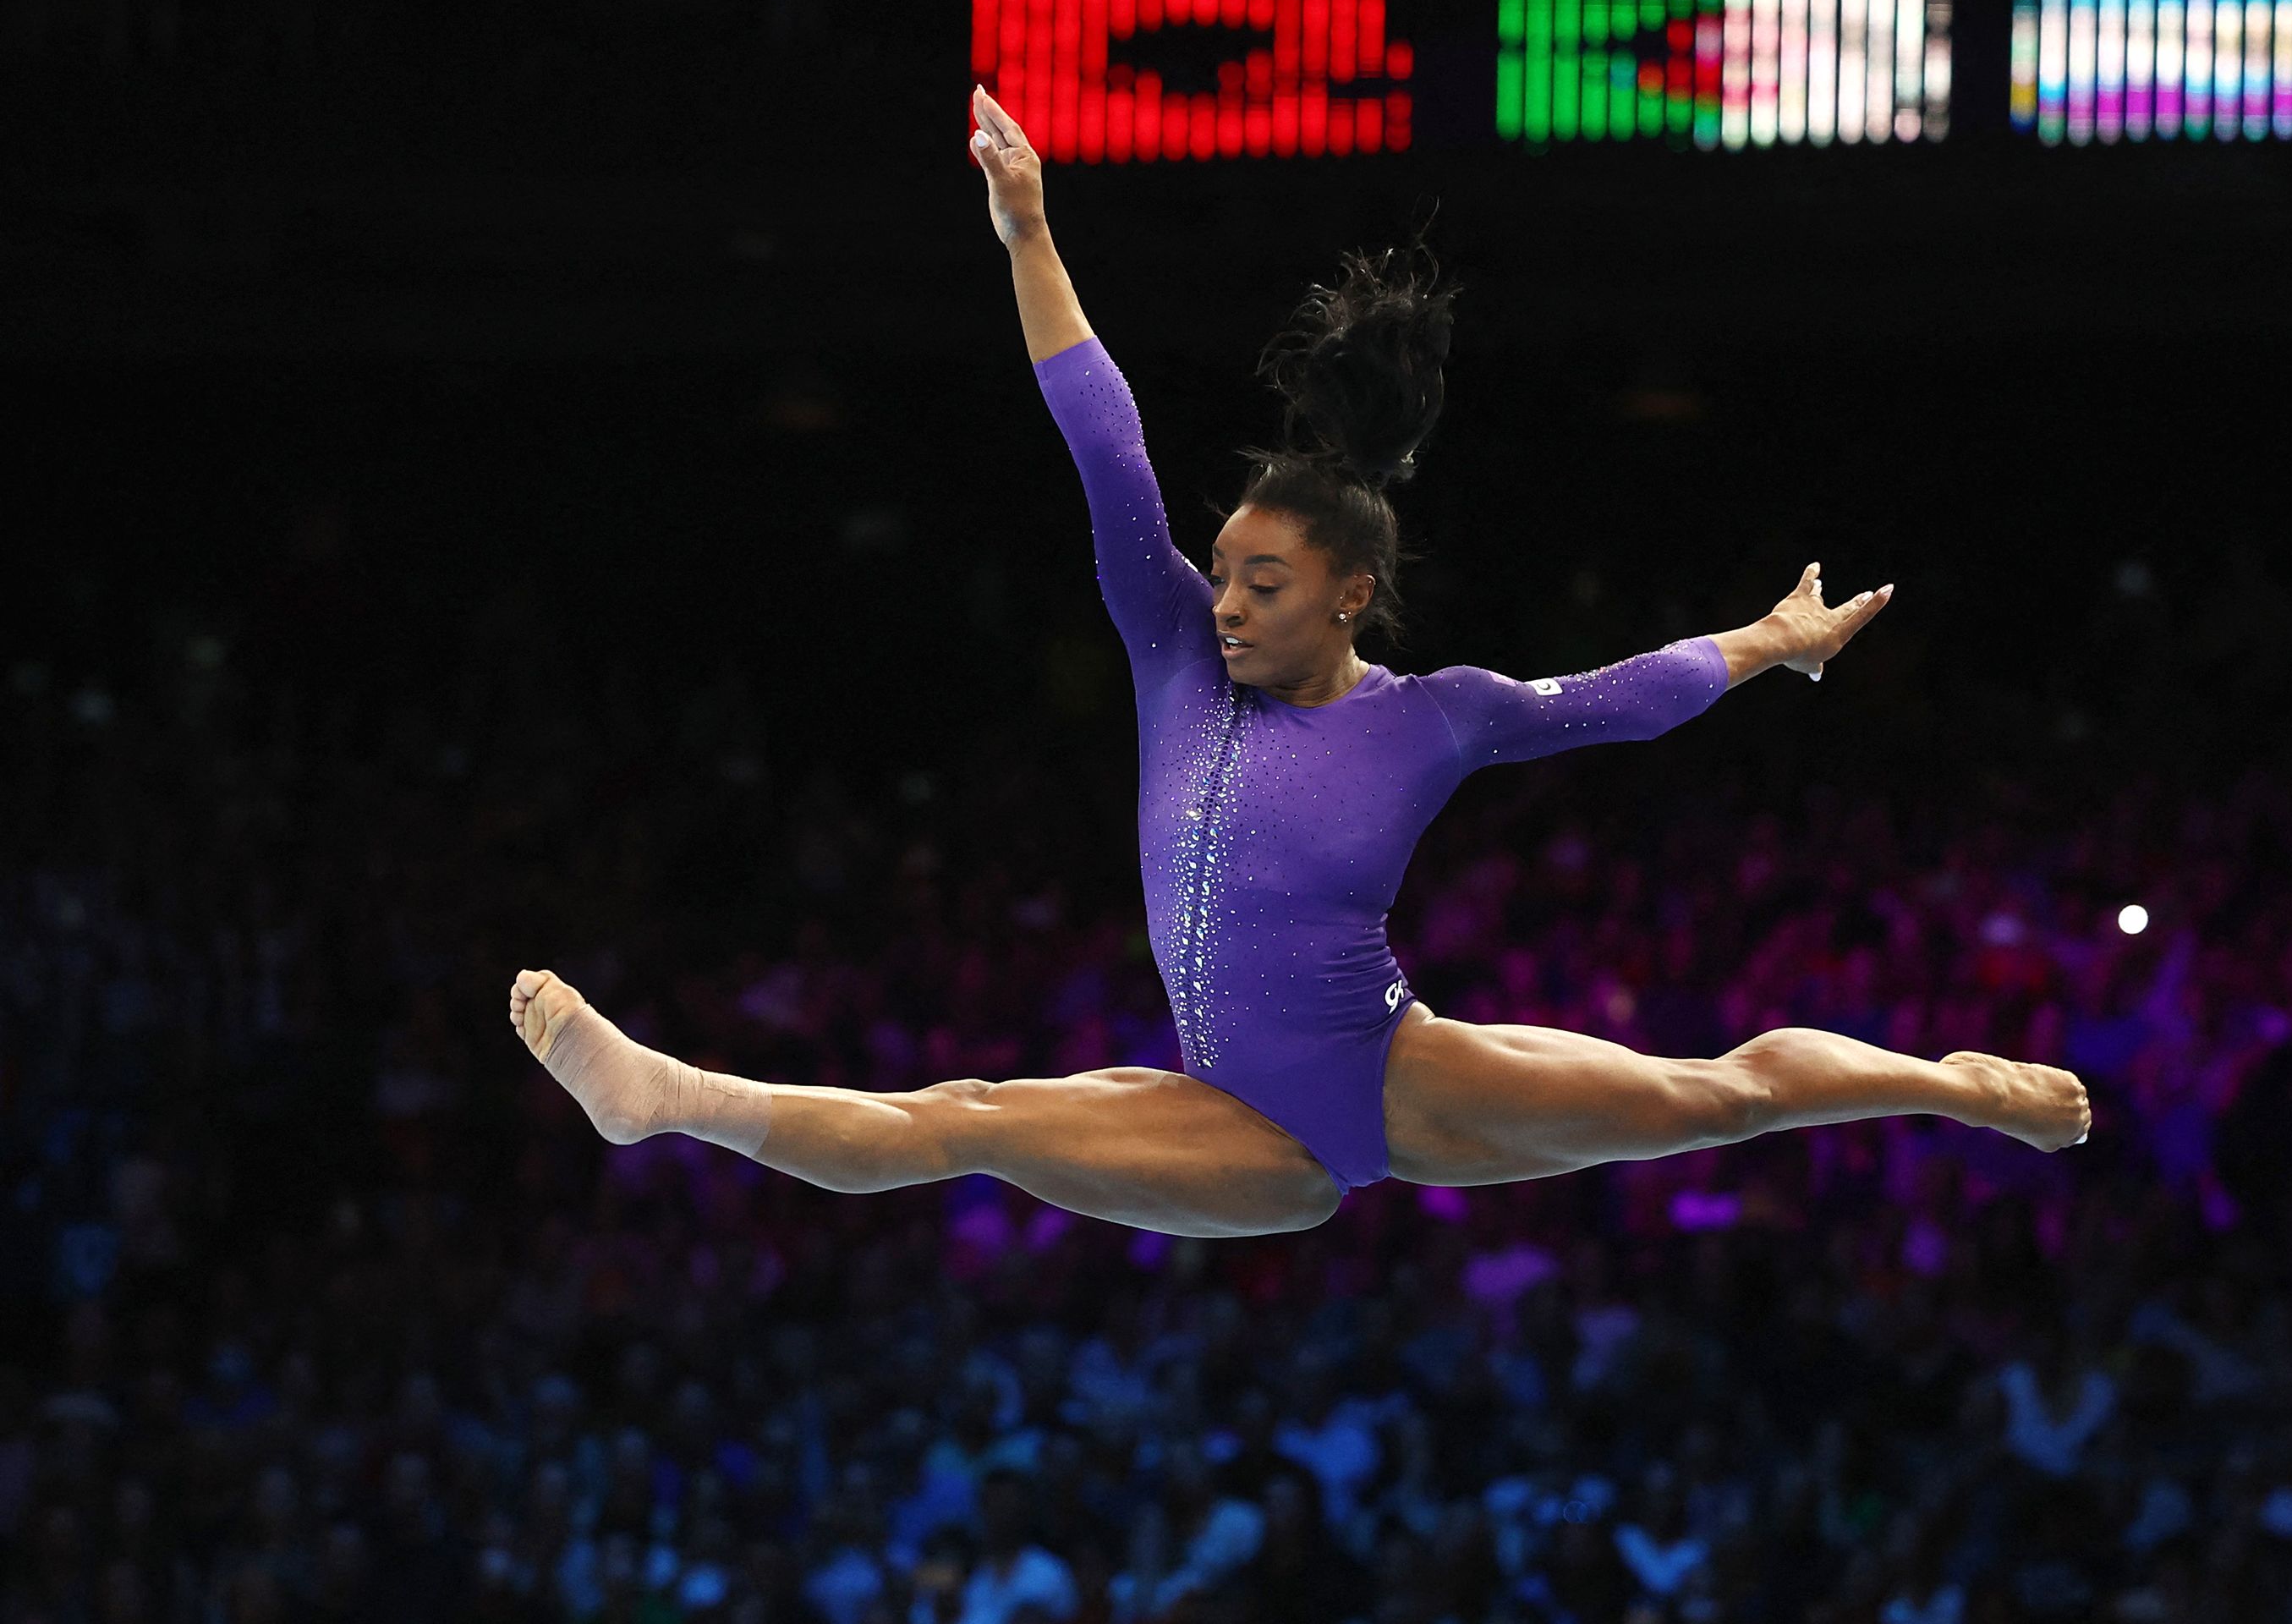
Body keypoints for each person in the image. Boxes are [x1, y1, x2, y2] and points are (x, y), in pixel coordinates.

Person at [503, 86, 2090, 1240]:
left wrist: (1772, 642)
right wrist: (1033, 233)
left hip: (1391, 1082)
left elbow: (1618, 698)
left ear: (1352, 595)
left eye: (1265, 583)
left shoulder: (1433, 721)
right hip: (1233, 1118)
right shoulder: (1172, 649)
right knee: (964, 1125)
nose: (1229, 606)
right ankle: (668, 1097)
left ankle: (1951, 1083)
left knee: (1726, 1091)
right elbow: (1106, 448)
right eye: (1227, 575)